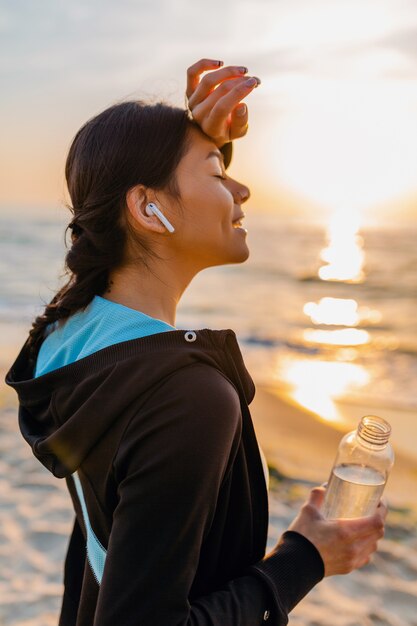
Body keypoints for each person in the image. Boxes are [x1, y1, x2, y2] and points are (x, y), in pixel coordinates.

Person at [5, 59, 386, 626]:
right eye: (216, 173)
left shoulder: (73, 339)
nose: (243, 188)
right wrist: (306, 558)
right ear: (146, 209)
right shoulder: (188, 397)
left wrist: (206, 143)